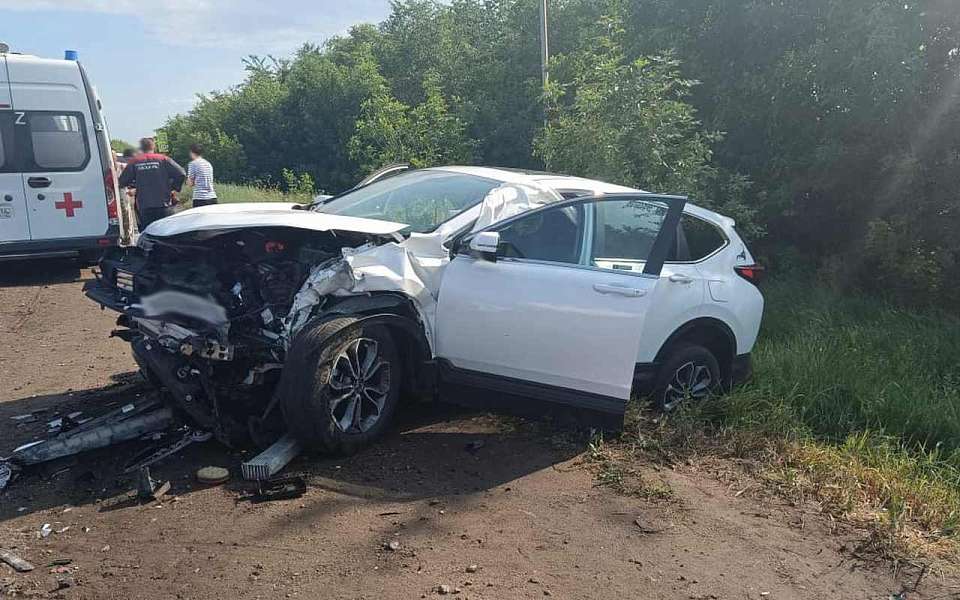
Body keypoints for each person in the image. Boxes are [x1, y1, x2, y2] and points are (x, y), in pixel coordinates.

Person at [117, 138, 186, 229]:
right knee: (166, 233)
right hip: (164, 205)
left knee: (148, 233)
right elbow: (181, 173)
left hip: (145, 206)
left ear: (141, 148)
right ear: (153, 146)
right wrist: (173, 187)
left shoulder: (135, 161)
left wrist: (134, 187)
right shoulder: (163, 159)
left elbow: (122, 181)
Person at [187, 143, 217, 207]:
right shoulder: (208, 164)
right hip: (212, 197)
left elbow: (190, 183)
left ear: (191, 152)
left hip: (200, 198)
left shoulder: (193, 164)